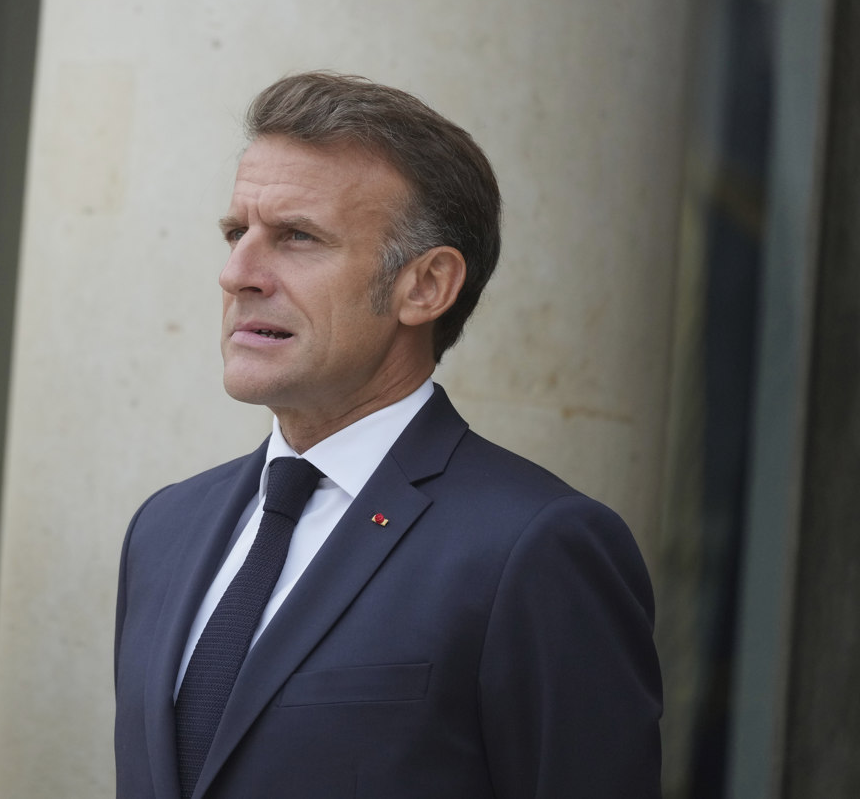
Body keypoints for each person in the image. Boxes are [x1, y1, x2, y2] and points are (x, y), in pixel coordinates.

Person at [114, 71, 662, 798]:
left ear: (426, 286)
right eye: (235, 233)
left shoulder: (536, 547)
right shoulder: (165, 528)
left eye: (297, 237)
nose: (237, 272)